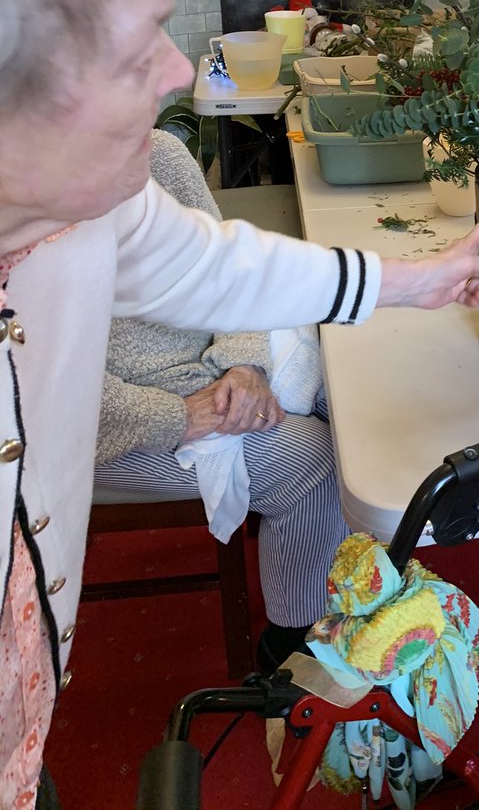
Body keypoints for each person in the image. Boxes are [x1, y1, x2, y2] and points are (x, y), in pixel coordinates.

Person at [0, 0, 479, 809]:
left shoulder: (86, 201)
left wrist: (413, 280)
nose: (179, 75)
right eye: (138, 36)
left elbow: (216, 263)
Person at [95, 129, 345, 672]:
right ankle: (293, 644)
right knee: (311, 459)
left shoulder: (154, 151)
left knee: (345, 398)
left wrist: (244, 361)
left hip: (205, 368)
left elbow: (229, 270)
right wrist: (176, 416)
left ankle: (350, 585)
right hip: (107, 424)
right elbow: (33, 388)